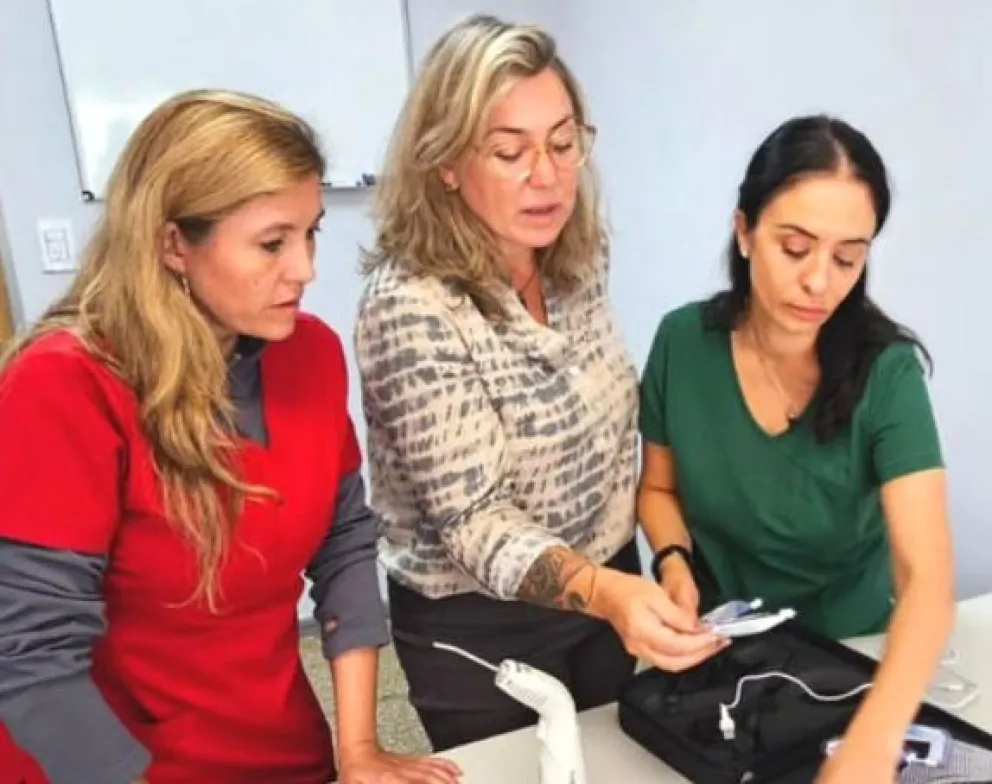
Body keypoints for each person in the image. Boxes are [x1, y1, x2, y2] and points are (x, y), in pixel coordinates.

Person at [0, 90, 461, 784]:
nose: (304, 268)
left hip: (278, 748)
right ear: (173, 244)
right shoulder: (63, 385)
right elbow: (32, 659)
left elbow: (343, 545)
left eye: (310, 234)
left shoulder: (309, 353)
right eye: (273, 243)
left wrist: (360, 747)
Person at [354, 14, 726, 753]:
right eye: (510, 151)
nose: (548, 175)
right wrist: (605, 591)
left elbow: (610, 427)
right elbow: (473, 520)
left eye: (562, 143)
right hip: (478, 622)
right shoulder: (409, 307)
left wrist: (658, 561)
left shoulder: (573, 256)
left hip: (605, 582)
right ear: (445, 162)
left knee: (618, 759)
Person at [637, 114, 955, 782]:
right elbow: (659, 488)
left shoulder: (887, 374)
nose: (819, 282)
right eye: (795, 248)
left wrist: (873, 742)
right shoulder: (682, 343)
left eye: (847, 258)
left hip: (856, 658)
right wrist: (672, 560)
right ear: (744, 231)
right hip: (724, 658)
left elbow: (926, 580)